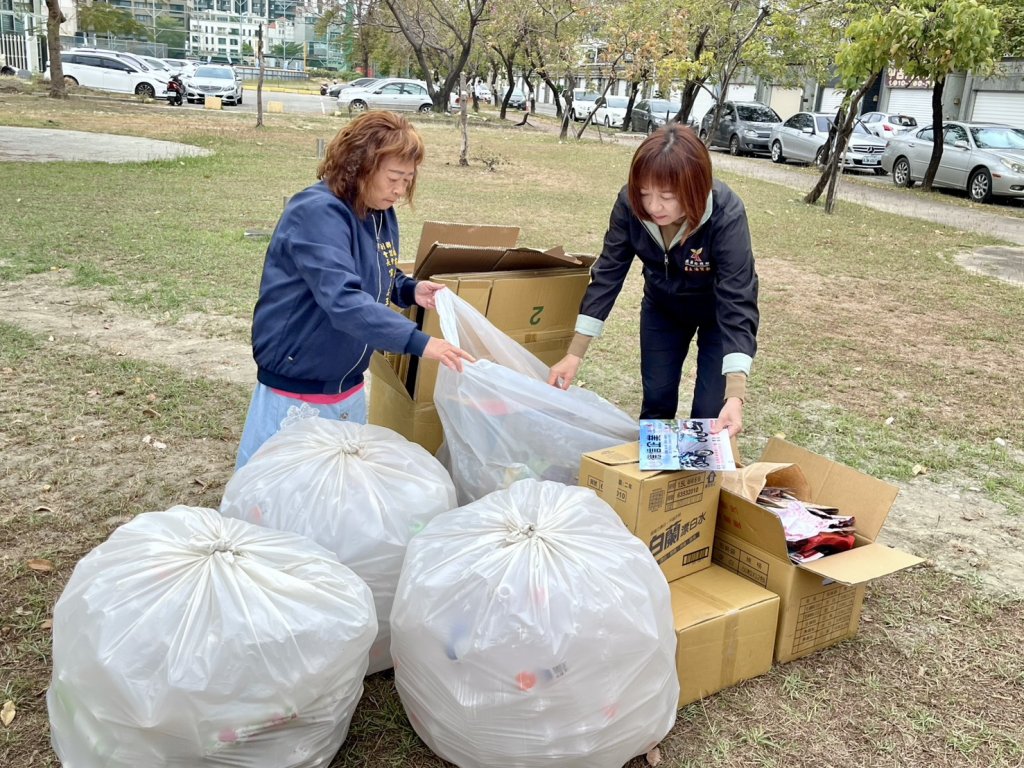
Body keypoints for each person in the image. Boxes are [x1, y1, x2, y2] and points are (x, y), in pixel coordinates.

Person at [235, 110, 473, 469]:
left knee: (334, 490)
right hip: (299, 381)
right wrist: (420, 342)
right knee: (284, 490)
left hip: (345, 380)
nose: (400, 190)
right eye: (394, 178)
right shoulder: (318, 213)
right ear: (358, 167)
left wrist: (408, 289)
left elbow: (376, 272)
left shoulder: (379, 212)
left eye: (408, 180)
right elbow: (343, 298)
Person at [548, 124, 758, 437]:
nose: (654, 207)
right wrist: (574, 353)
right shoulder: (629, 205)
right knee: (657, 402)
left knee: (708, 416)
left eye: (668, 196)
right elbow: (608, 273)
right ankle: (650, 484)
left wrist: (736, 394)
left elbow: (737, 299)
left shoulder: (725, 214)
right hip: (662, 307)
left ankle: (698, 484)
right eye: (645, 194)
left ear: (695, 188)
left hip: (718, 315)